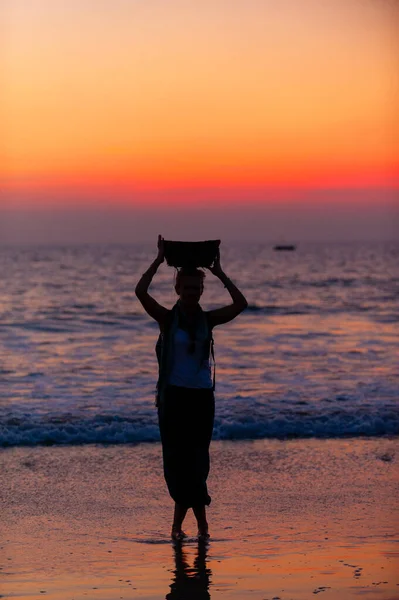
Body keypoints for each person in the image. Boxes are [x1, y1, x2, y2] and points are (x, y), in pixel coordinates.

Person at [135, 235, 247, 541]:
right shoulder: (167, 319)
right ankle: (189, 525)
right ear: (177, 289)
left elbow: (241, 304)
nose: (191, 293)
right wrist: (159, 260)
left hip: (200, 398)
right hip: (173, 398)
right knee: (176, 463)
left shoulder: (208, 321)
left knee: (197, 463)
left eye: (196, 289)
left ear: (200, 290)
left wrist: (219, 272)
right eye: (186, 289)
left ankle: (195, 526)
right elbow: (140, 291)